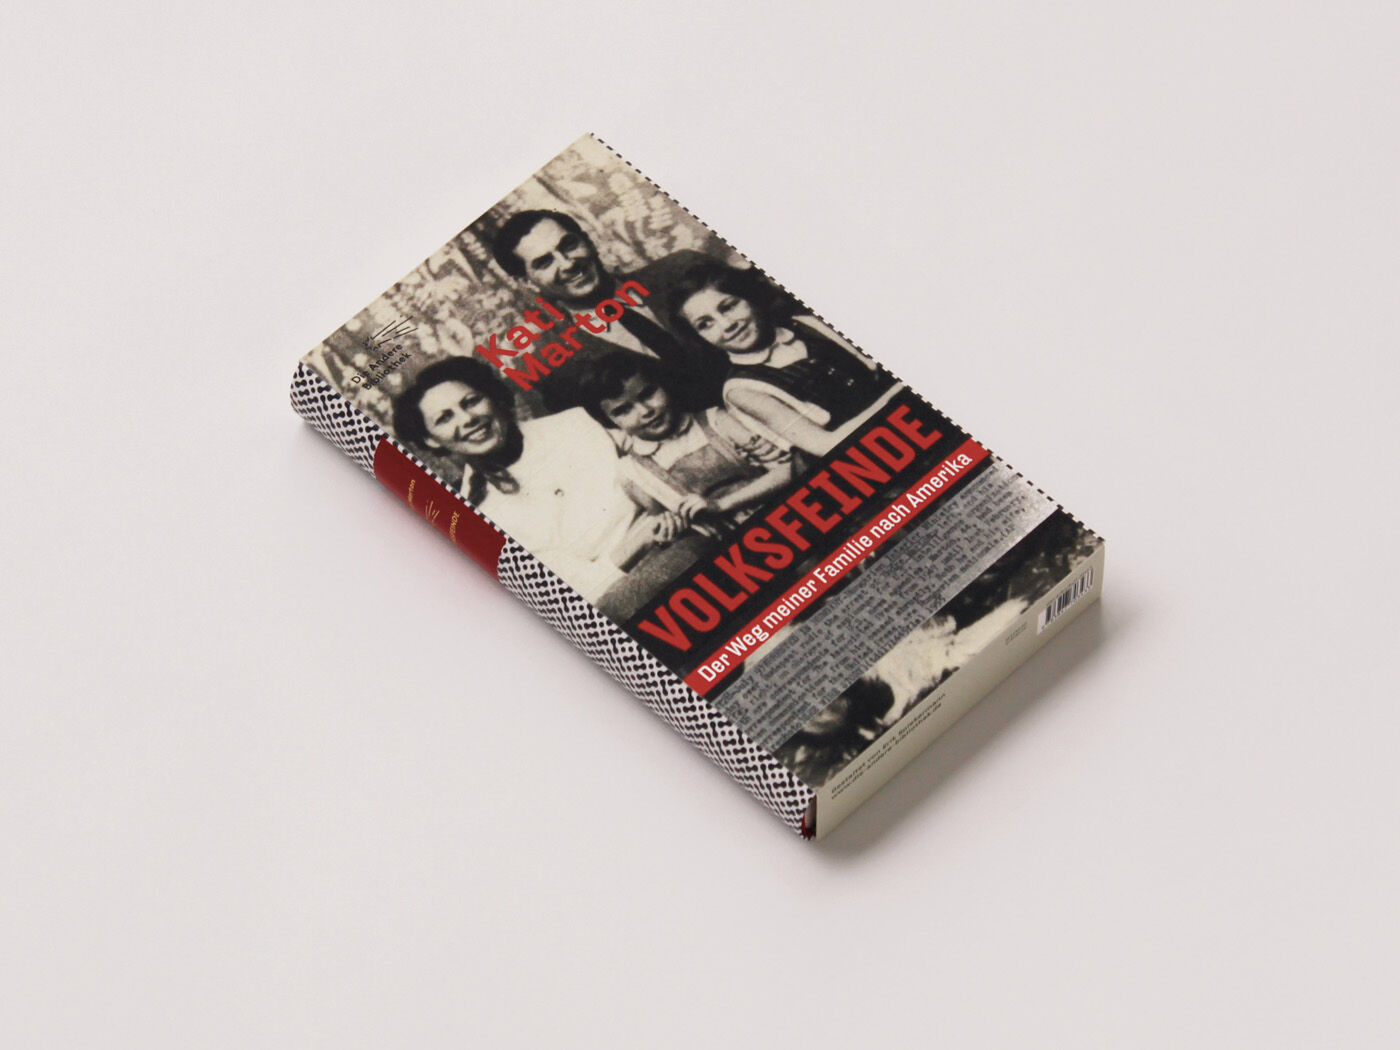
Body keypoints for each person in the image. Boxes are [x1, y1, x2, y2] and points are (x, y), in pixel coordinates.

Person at [393, 357, 687, 616]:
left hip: (687, 542)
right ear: (430, 439)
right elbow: (575, 597)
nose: (468, 419)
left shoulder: (579, 422)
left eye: (471, 401)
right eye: (444, 418)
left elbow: (669, 463)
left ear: (494, 397)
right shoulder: (475, 518)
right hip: (629, 607)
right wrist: (638, 541)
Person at [489, 210, 729, 408]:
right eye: (545, 262)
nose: (568, 264)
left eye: (569, 245)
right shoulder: (560, 369)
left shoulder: (681, 270)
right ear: (527, 283)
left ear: (588, 240)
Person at [667, 262, 897, 457]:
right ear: (699, 338)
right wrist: (897, 396)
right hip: (867, 457)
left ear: (749, 297)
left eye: (728, 307)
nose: (727, 325)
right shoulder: (742, 389)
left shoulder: (807, 324)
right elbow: (826, 446)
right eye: (705, 324)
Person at [577, 354, 796, 538]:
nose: (645, 411)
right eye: (623, 410)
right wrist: (665, 526)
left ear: (665, 385)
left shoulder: (718, 420)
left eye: (648, 394)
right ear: (609, 422)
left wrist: (722, 504)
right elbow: (663, 518)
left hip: (788, 514)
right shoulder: (633, 473)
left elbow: (789, 469)